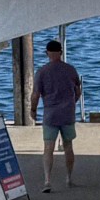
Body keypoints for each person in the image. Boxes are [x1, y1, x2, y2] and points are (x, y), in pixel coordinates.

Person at [34, 38, 82, 190]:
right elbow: (78, 90)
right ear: (61, 52)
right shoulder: (70, 69)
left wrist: (33, 110)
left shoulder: (42, 72)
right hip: (68, 113)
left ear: (47, 53)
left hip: (50, 114)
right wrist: (72, 103)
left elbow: (35, 94)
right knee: (68, 146)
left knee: (48, 147)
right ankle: (69, 177)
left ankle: (47, 180)